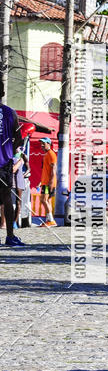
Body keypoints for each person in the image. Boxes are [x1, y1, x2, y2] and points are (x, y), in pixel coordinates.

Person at [0, 77, 25, 246]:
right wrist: (9, 150)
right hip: (5, 163)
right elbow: (18, 139)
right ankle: (10, 235)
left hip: (5, 163)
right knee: (7, 198)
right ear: (2, 93)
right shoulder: (11, 113)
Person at [39, 137, 57, 228]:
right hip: (45, 182)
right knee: (47, 201)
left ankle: (51, 220)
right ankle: (48, 220)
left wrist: (51, 182)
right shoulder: (46, 154)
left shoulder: (51, 154)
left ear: (49, 144)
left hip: (48, 183)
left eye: (44, 143)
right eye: (41, 144)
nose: (42, 145)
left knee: (43, 200)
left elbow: (54, 169)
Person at [12, 147, 28, 228]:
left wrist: (23, 175)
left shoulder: (22, 155)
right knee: (8, 202)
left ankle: (14, 222)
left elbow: (29, 169)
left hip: (19, 181)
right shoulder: (8, 154)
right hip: (10, 180)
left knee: (18, 202)